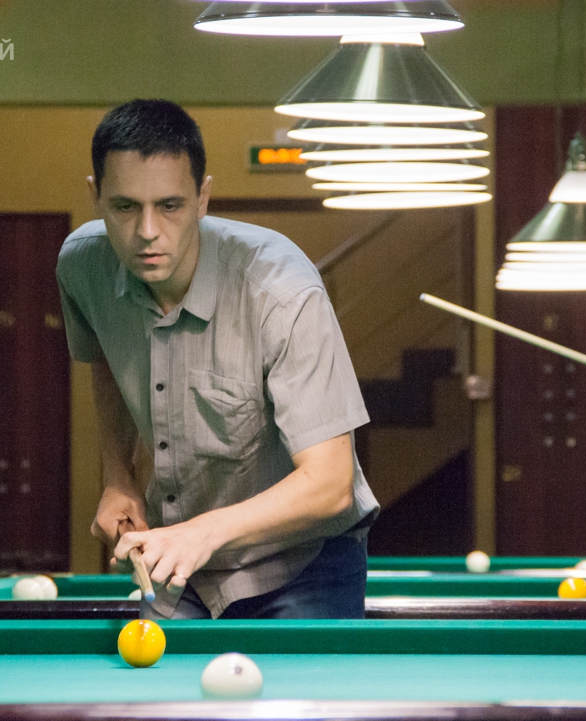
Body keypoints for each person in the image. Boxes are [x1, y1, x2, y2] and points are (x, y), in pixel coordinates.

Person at [56, 100, 378, 620]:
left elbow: (331, 484)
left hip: (304, 565)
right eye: (124, 207)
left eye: (170, 205)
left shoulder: (281, 290)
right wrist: (119, 476)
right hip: (182, 564)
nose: (147, 231)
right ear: (95, 195)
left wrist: (200, 533)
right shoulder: (82, 267)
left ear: (203, 197)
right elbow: (107, 361)